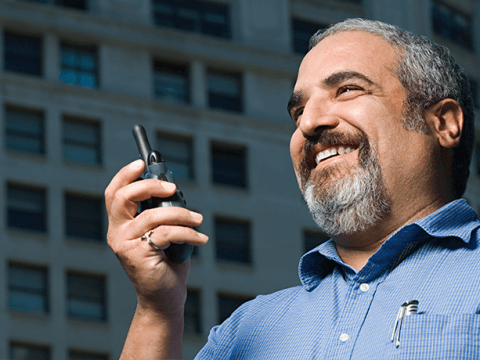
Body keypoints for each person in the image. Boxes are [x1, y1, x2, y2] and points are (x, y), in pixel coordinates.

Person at [105, 18, 479, 359]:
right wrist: (158, 310)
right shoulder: (246, 330)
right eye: (298, 112)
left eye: (347, 89)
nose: (310, 123)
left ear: (443, 123)